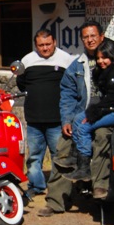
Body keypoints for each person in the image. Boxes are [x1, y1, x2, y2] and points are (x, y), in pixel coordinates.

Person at [38, 21, 114, 217]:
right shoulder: (76, 65)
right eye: (85, 37)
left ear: (101, 36)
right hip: (83, 116)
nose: (90, 40)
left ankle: (101, 191)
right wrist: (67, 120)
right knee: (63, 148)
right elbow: (67, 95)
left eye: (93, 35)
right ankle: (56, 201)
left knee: (103, 138)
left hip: (110, 116)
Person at [65, 38, 114, 181]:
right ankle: (77, 158)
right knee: (78, 119)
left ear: (113, 56)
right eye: (98, 58)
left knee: (83, 126)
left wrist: (94, 113)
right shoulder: (112, 70)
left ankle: (84, 167)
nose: (100, 61)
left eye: (105, 58)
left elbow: (113, 99)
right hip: (113, 109)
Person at [16, 29, 76, 198]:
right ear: (36, 45)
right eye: (41, 45)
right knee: (34, 156)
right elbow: (21, 84)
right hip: (34, 119)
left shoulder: (66, 60)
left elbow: (74, 86)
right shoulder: (27, 60)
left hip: (58, 120)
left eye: (48, 44)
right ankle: (36, 186)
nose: (45, 48)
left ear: (54, 42)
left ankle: (59, 190)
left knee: (59, 156)